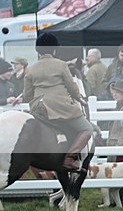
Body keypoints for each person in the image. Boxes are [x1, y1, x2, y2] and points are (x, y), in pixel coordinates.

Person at [23, 32, 94, 171]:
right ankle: (70, 157)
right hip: (60, 107)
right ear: (54, 49)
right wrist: (80, 98)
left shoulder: (30, 69)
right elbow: (72, 87)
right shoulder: (61, 65)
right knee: (87, 128)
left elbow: (27, 95)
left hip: (38, 108)